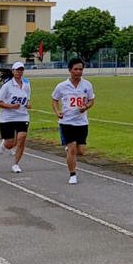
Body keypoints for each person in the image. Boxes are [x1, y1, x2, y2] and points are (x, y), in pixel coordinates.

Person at [51, 57, 95, 185]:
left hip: (82, 122)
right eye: (76, 69)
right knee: (72, 149)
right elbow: (54, 100)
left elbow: (91, 100)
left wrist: (85, 107)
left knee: (80, 151)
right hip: (66, 122)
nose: (78, 72)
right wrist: (57, 112)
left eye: (80, 69)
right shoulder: (62, 86)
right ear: (70, 70)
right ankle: (72, 174)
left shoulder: (87, 85)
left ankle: (71, 150)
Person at [0, 61, 31, 174]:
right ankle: (4, 144)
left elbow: (26, 99)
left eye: (21, 70)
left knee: (22, 138)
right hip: (7, 118)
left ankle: (16, 164)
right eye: (17, 70)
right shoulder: (7, 86)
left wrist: (27, 104)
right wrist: (11, 106)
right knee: (10, 143)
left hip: (22, 116)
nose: (19, 72)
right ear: (13, 71)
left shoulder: (26, 85)